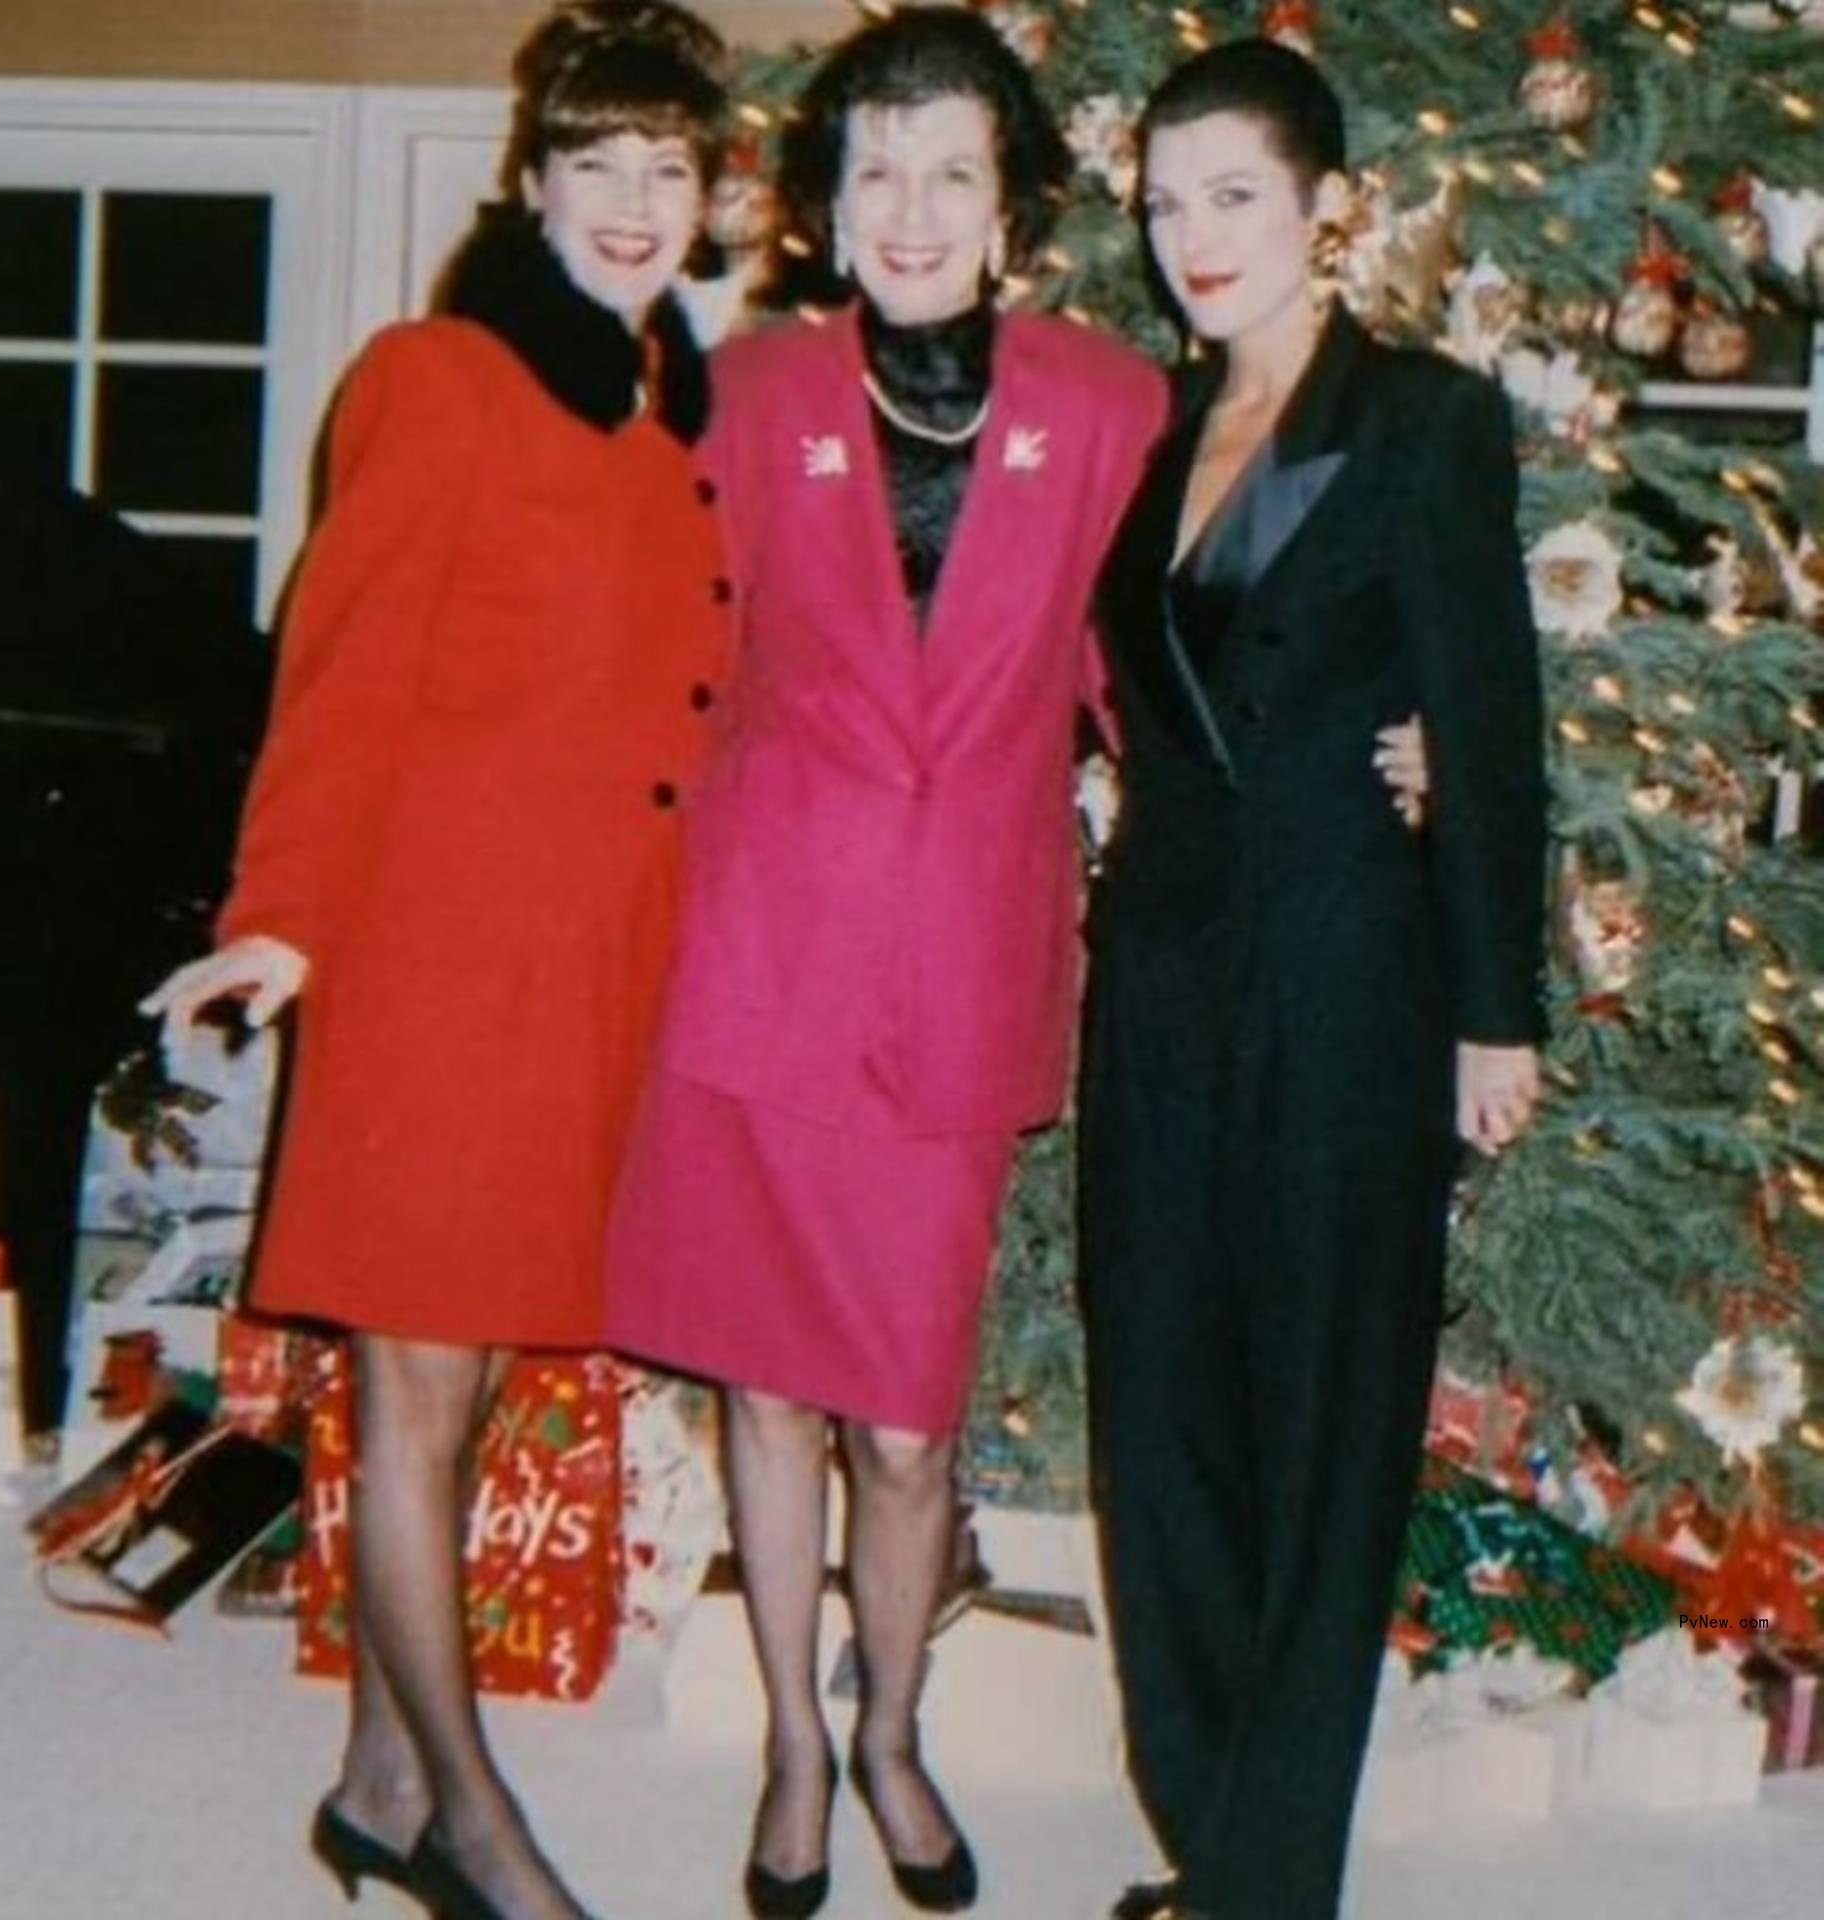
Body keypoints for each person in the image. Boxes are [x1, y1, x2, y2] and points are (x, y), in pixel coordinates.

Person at [600, 14, 1427, 1919]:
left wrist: (1410, 731)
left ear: (1015, 208)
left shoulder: (1112, 404)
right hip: (760, 955)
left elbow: (1212, 656)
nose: (909, 210)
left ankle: (894, 1724)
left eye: (951, 172)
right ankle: (800, 1755)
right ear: (825, 202)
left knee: (904, 1422)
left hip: (964, 967)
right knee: (770, 1398)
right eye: (875, 171)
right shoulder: (740, 391)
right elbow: (638, 647)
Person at [140, 7, 733, 1918]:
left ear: (712, 198)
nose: (639, 205)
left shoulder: (672, 414)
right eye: (602, 167)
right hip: (435, 973)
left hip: (588, 979)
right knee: (414, 1394)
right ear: (532, 186)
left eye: (674, 170)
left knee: (462, 1396)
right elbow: (343, 666)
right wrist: (281, 913)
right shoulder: (438, 376)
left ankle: (376, 1785)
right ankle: (476, 1830)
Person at [1079, 39, 1547, 1920]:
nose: (1190, 236)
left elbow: (1491, 728)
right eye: (1165, 200)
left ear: (1324, 206)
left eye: (1234, 197)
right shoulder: (1158, 432)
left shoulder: (1422, 418)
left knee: (1330, 1427)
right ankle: (1212, 1829)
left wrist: (1492, 1007)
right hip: (1167, 982)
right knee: (1164, 1413)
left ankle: (1266, 1889)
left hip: (1354, 979)